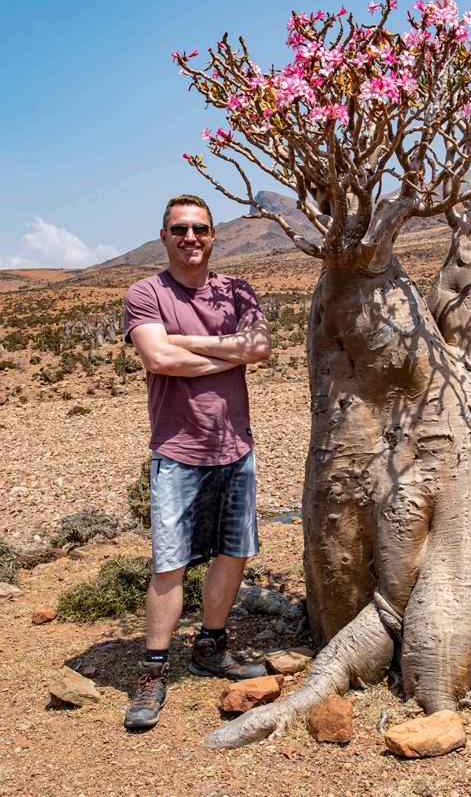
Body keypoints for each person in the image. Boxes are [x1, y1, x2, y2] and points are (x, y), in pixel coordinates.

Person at [122, 193, 272, 730]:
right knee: (170, 562)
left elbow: (259, 348)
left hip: (235, 445)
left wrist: (187, 343)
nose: (191, 238)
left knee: (233, 552)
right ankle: (153, 670)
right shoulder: (146, 292)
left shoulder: (237, 290)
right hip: (178, 450)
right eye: (180, 229)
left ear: (213, 235)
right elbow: (157, 356)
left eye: (200, 229)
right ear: (163, 236)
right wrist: (226, 351)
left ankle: (210, 647)